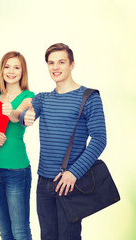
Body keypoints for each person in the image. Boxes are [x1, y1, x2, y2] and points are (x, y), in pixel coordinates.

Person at [20, 43, 107, 240]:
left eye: (61, 62)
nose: (55, 67)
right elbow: (26, 115)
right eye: (51, 63)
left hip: (70, 183)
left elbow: (100, 139)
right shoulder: (43, 99)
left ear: (72, 64)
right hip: (44, 183)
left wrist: (73, 173)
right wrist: (26, 116)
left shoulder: (89, 97)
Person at [0, 51, 34, 240]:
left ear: (23, 72)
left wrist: (11, 112)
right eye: (7, 66)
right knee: (5, 233)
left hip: (17, 170)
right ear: (1, 70)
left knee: (20, 231)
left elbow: (19, 116)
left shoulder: (28, 97)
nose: (11, 71)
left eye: (16, 67)